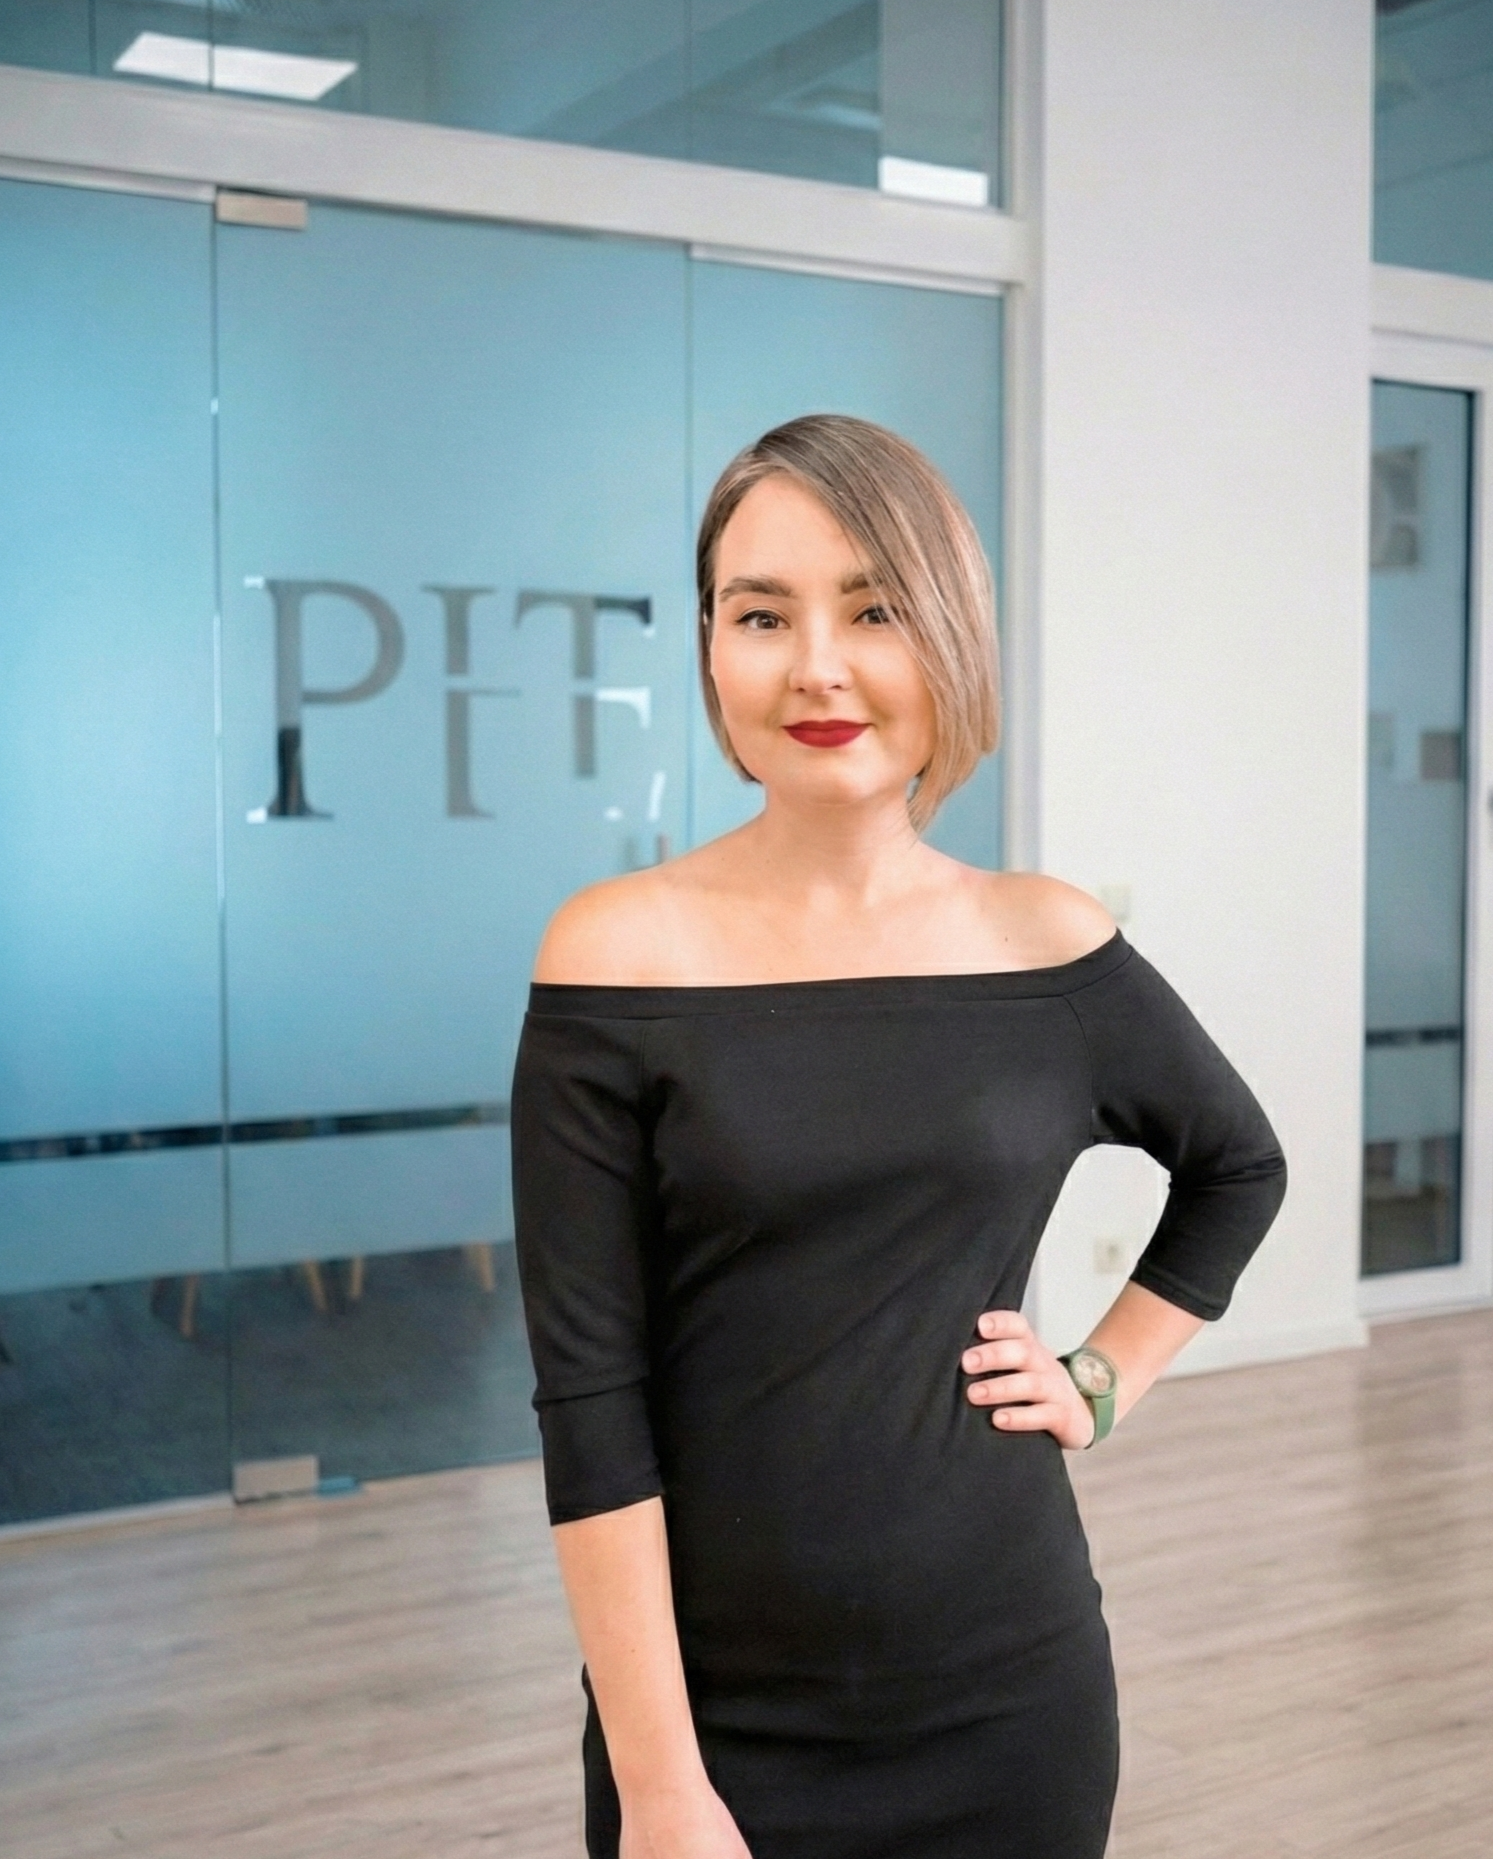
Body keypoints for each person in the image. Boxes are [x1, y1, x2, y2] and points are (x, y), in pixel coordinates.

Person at [511, 414, 1287, 1859]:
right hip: (718, 1716)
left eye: (871, 607)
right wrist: (662, 1783)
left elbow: (1236, 1163)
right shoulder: (616, 952)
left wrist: (1103, 1377)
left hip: (1011, 1690)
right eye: (761, 612)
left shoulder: (1047, 943)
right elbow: (587, 1395)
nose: (816, 662)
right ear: (708, 649)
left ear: (948, 635)